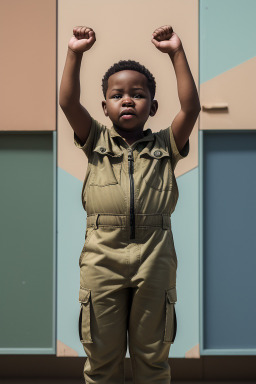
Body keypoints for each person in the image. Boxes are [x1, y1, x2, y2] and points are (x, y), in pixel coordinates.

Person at [59, 24, 201, 384]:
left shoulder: (166, 145)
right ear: (104, 107)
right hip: (101, 256)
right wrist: (75, 53)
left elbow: (191, 107)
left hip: (155, 255)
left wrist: (176, 53)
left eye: (137, 94)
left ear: (152, 106)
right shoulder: (94, 140)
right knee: (102, 358)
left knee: (152, 359)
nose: (126, 100)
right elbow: (67, 102)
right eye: (117, 95)